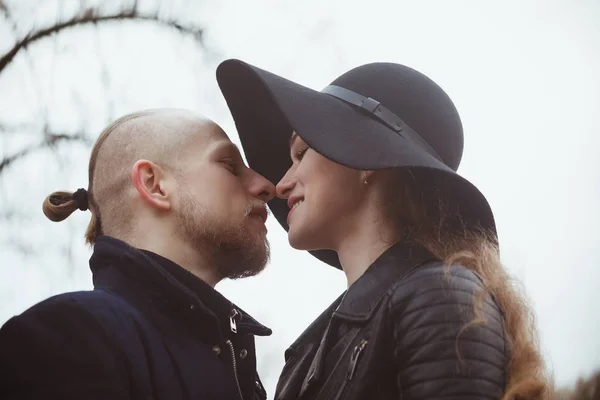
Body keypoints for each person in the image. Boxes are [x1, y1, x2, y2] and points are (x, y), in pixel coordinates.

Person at [216, 60, 550, 400]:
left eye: (301, 153)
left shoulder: (438, 299)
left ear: (364, 156)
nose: (281, 184)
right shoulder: (307, 354)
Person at [0, 109, 276, 400]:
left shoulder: (233, 363)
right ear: (154, 185)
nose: (266, 186)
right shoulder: (71, 338)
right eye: (230, 165)